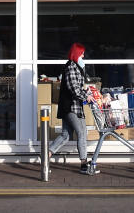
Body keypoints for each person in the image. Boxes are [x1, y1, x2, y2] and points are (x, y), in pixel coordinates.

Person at [47, 42, 93, 174]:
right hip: (72, 107)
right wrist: (86, 96)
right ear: (77, 53)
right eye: (82, 53)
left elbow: (77, 86)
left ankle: (46, 155)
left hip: (70, 107)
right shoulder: (71, 67)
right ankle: (84, 163)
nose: (83, 56)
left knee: (66, 135)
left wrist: (87, 91)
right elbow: (74, 89)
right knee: (82, 133)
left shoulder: (75, 67)